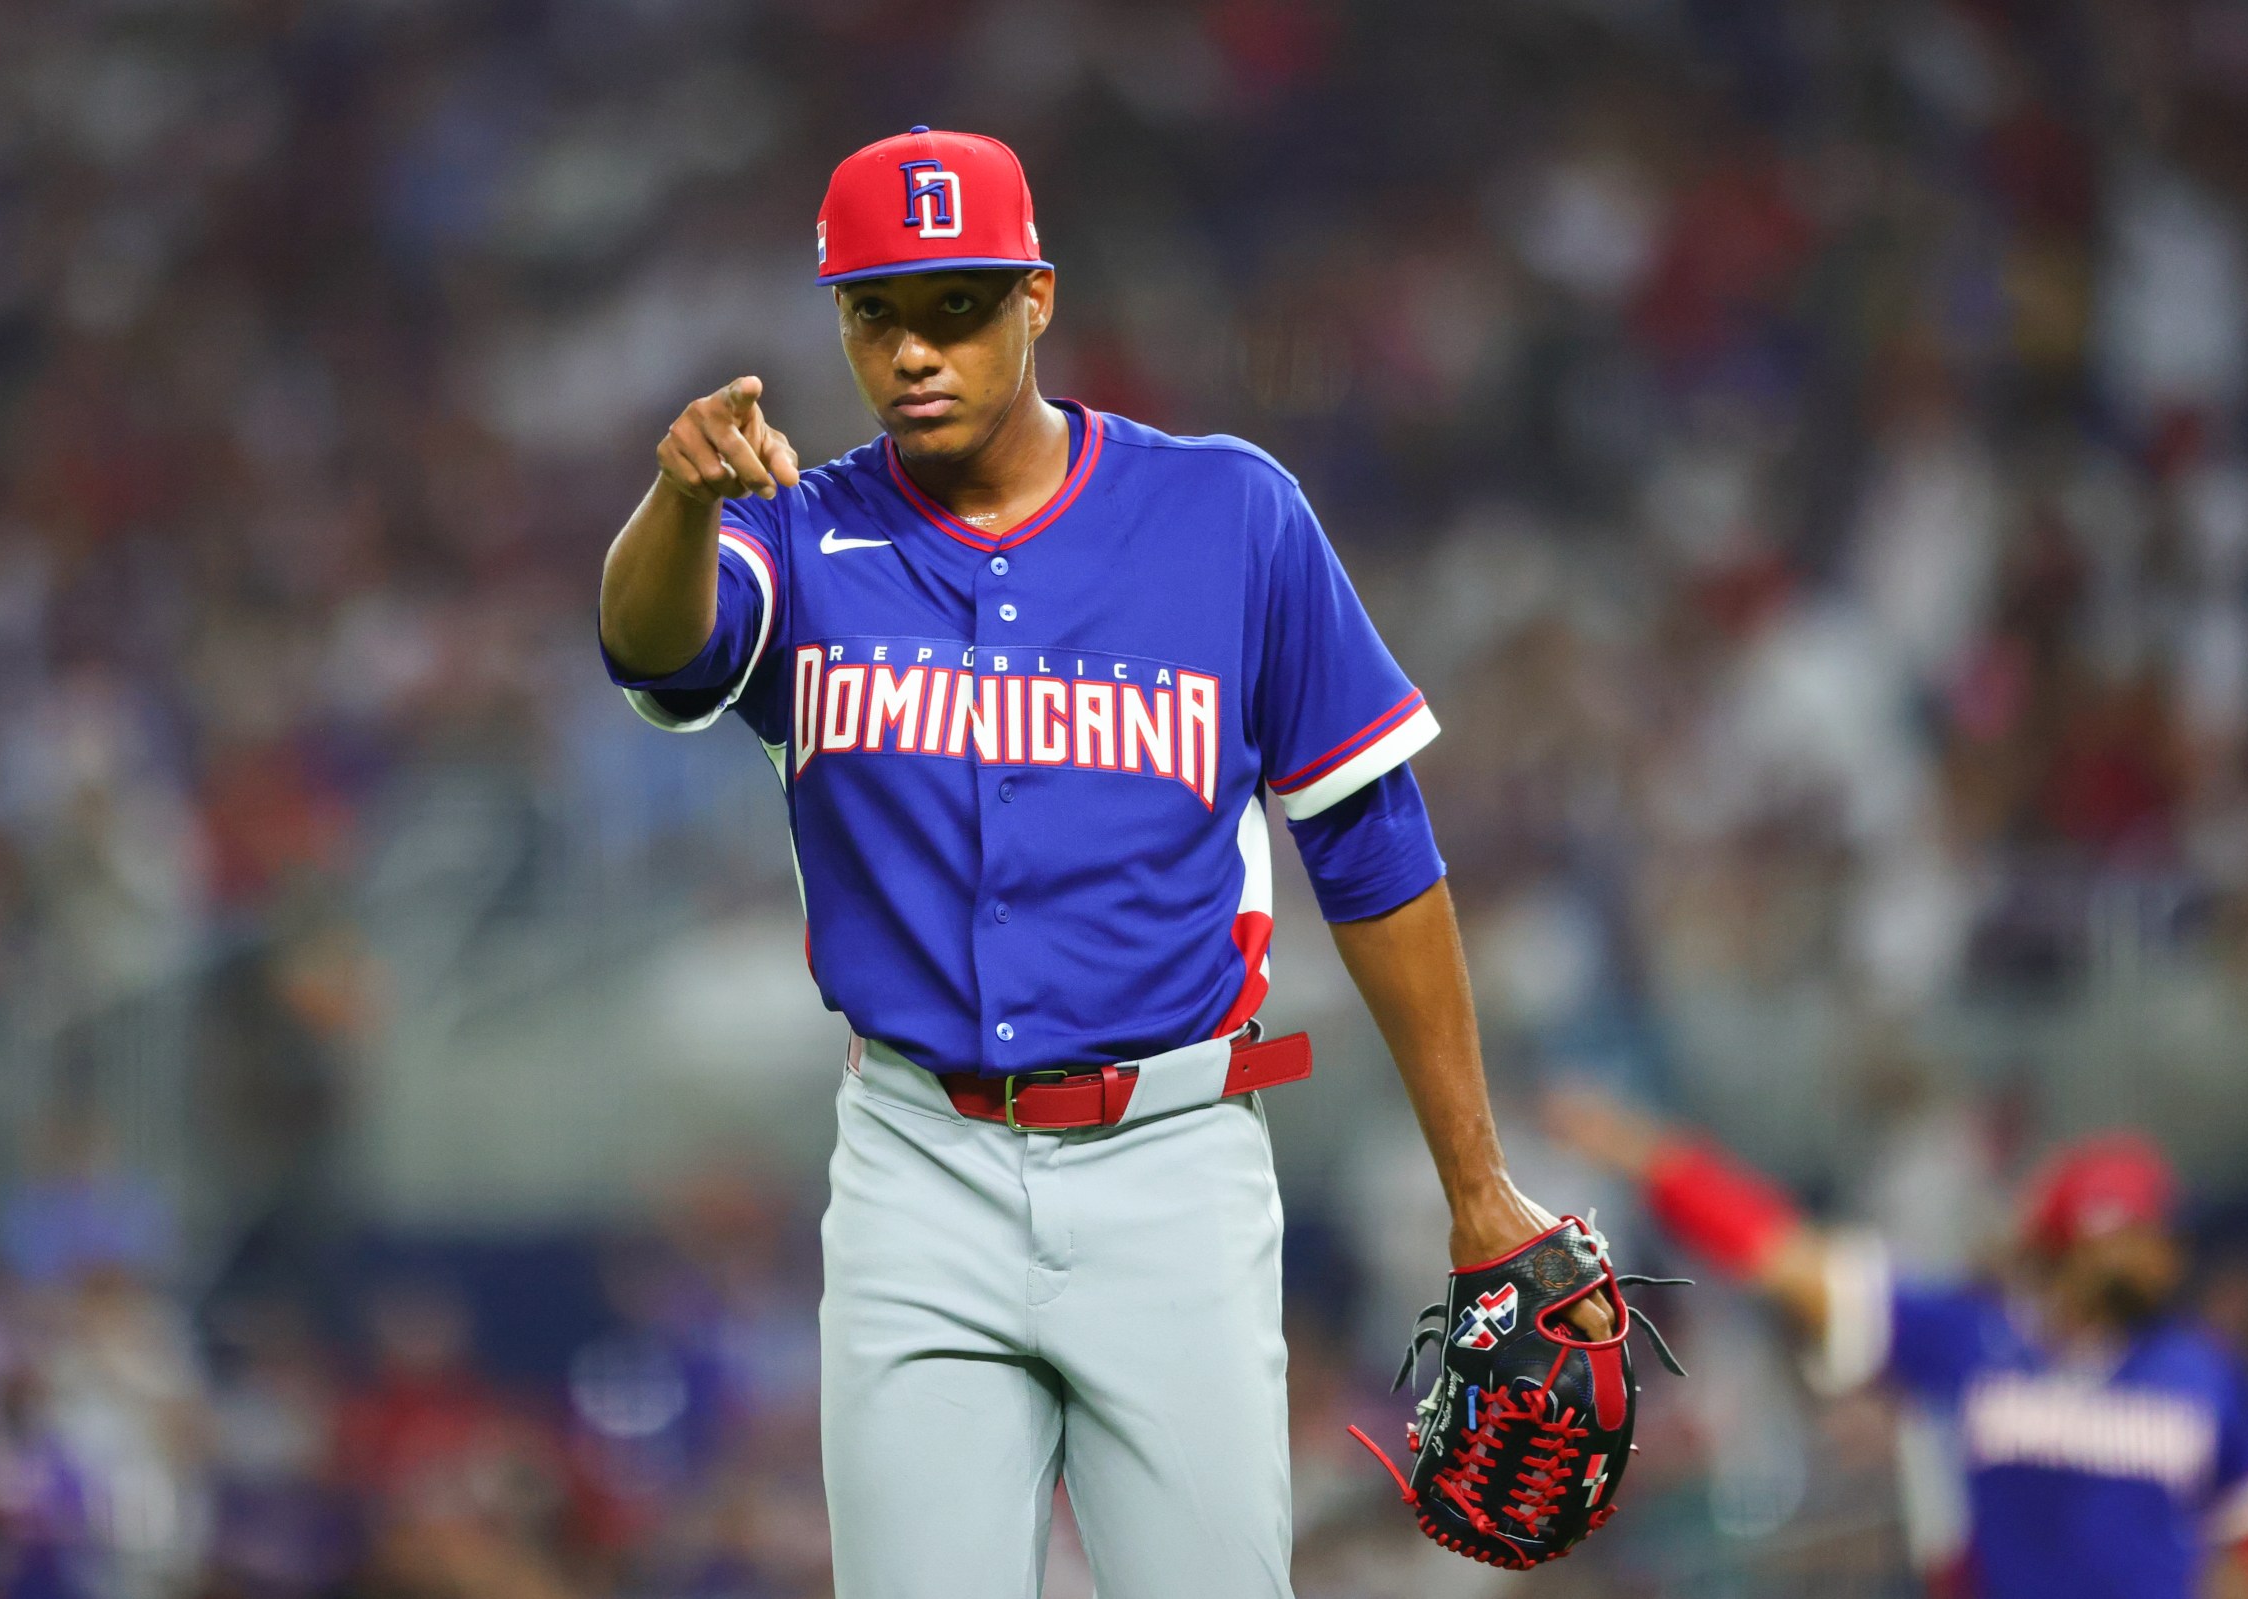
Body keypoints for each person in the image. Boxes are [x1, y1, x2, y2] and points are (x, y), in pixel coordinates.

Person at [595, 126, 1606, 1599]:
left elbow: (1373, 841)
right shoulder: (799, 538)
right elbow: (653, 651)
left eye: (958, 303)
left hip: (1171, 1157)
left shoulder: (1230, 513)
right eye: (880, 310)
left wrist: (1476, 1180)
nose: (916, 350)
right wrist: (680, 496)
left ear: (1037, 300)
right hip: (914, 1160)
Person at [1547, 1087, 2248, 1599]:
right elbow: (1788, 1259)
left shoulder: (2200, 1373)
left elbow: (2239, 1547)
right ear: (2048, 1247)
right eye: (2103, 1244)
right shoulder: (1974, 1334)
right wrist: (1650, 1156)